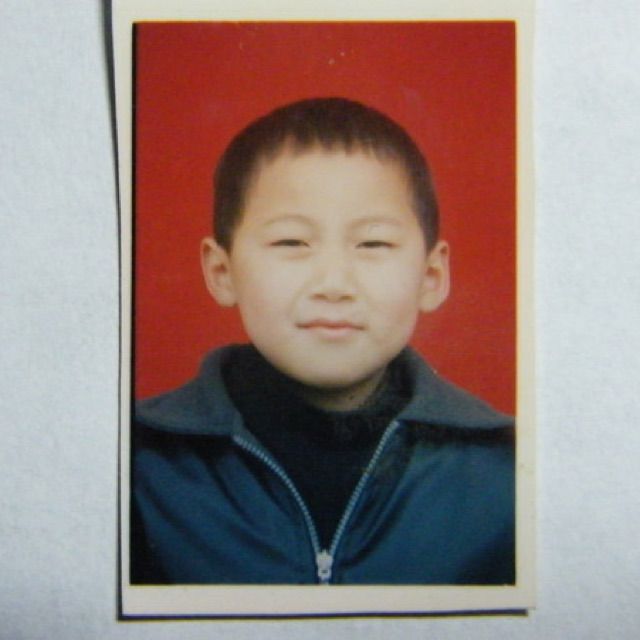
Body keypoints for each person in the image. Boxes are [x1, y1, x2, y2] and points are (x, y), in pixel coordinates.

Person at [131, 97, 515, 585]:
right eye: (291, 242)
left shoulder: (510, 471)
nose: (333, 283)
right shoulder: (135, 465)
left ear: (431, 276)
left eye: (373, 243)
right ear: (222, 272)